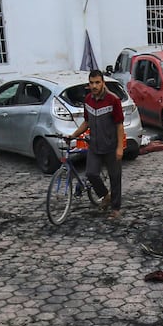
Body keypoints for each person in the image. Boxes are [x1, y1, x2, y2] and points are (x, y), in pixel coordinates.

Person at [67, 69, 125, 217]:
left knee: (115, 177)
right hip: (94, 146)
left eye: (97, 82)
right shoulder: (88, 100)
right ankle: (106, 196)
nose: (94, 86)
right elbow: (86, 122)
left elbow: (119, 125)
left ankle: (115, 209)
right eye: (92, 83)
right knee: (91, 174)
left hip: (111, 146)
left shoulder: (113, 100)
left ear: (103, 83)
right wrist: (73, 135)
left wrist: (119, 147)